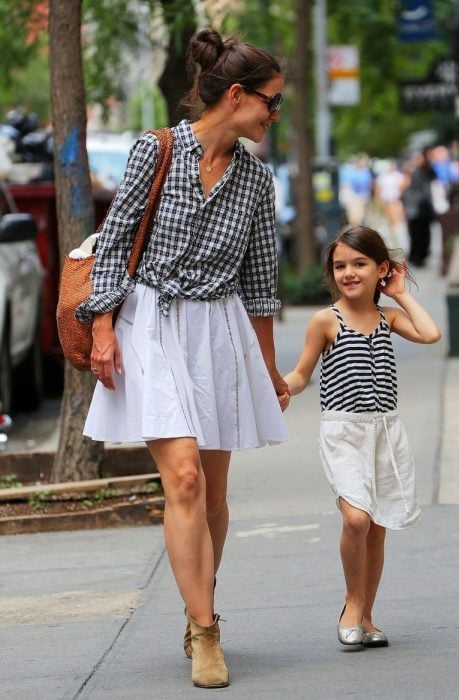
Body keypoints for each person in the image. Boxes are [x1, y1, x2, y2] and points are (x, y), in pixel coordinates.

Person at [76, 28, 290, 689]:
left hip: (219, 329)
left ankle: (200, 603)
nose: (275, 115)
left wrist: (270, 368)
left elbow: (260, 284)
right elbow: (113, 246)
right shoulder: (155, 150)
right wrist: (105, 329)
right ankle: (205, 631)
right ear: (236, 95)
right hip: (152, 324)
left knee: (216, 495)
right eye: (271, 103)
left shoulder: (256, 180)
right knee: (187, 481)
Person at [284, 224, 440, 648]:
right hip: (344, 432)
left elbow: (430, 334)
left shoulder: (388, 317)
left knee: (377, 526)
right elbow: (302, 373)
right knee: (356, 518)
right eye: (340, 266)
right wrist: (282, 387)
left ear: (380, 269)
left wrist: (400, 293)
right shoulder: (325, 321)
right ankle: (352, 604)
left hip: (385, 433)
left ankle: (367, 616)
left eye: (359, 264)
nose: (349, 273)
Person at [402, 147, 436, 267]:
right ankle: (417, 255)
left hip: (422, 207)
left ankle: (419, 255)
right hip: (418, 207)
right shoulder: (417, 172)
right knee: (418, 233)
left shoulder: (424, 171)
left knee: (421, 232)